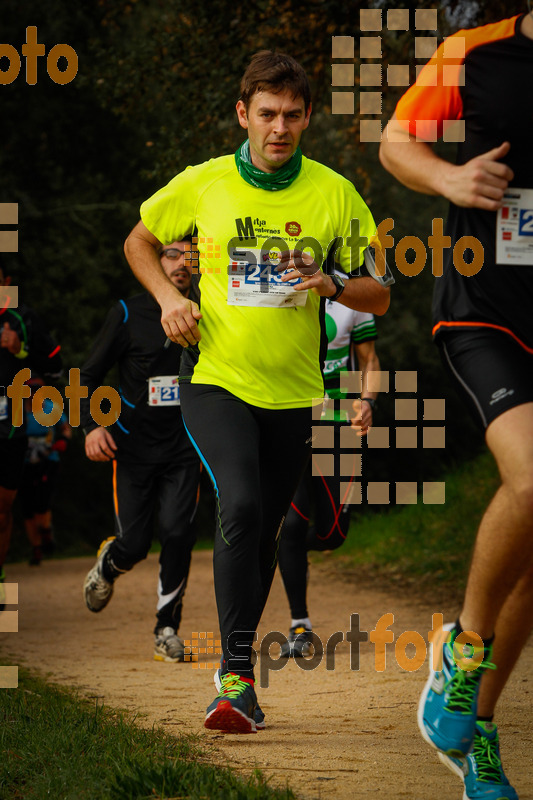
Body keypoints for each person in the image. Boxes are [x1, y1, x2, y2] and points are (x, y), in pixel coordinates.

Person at [124, 50, 392, 734]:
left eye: (292, 115)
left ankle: (238, 676)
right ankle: (235, 678)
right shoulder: (203, 182)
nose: (279, 127)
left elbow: (380, 293)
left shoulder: (334, 193)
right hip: (215, 379)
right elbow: (139, 241)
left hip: (293, 391)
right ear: (243, 114)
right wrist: (164, 297)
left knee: (267, 526)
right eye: (266, 114)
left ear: (307, 118)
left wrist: (331, 283)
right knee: (239, 505)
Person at [379, 9, 533, 799]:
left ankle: (473, 730)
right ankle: (460, 650)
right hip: (485, 305)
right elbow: (395, 142)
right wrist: (448, 178)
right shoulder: (475, 52)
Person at [81, 240, 201, 663]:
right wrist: (92, 426)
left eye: (191, 254)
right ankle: (109, 564)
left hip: (186, 446)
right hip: (132, 448)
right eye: (170, 253)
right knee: (134, 545)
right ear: (151, 260)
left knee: (178, 532)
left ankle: (166, 628)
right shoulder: (127, 313)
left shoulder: (212, 309)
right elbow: (87, 376)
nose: (182, 262)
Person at [278, 286, 380, 657]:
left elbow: (369, 359)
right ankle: (299, 624)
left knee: (334, 533)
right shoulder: (282, 288)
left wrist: (368, 401)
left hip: (339, 421)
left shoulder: (353, 296)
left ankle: (281, 550)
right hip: (291, 416)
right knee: (291, 523)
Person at [0, 261, 62, 608]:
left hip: (8, 428)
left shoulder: (21, 317)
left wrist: (20, 348)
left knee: (3, 511)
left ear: (5, 282)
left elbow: (54, 364)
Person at [19, 377, 71, 565]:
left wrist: (63, 440)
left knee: (42, 502)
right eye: (30, 390)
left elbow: (65, 429)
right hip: (23, 463)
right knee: (27, 508)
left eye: (37, 390)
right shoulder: (16, 410)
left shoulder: (51, 408)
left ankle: (46, 530)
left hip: (48, 460)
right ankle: (36, 549)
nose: (33, 394)